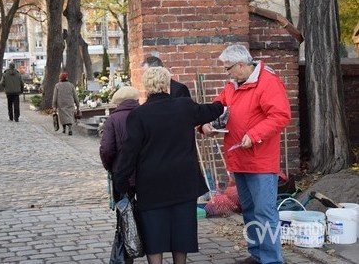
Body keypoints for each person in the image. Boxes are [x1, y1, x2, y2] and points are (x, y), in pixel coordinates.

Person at [114, 67, 223, 264]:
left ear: (146, 87)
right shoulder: (184, 106)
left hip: (151, 184)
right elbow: (212, 110)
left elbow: (129, 152)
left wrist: (120, 181)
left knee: (153, 231)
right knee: (182, 230)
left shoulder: (139, 115)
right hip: (184, 182)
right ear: (166, 84)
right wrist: (225, 98)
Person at [202, 45, 291, 264]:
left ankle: (271, 260)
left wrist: (254, 134)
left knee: (264, 212)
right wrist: (205, 122)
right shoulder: (233, 85)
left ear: (241, 65)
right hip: (239, 159)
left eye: (228, 68)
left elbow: (280, 116)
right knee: (250, 211)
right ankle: (257, 254)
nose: (227, 73)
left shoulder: (268, 82)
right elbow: (218, 106)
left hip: (260, 161)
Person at [100, 86, 140, 202]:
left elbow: (107, 149)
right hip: (144, 171)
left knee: (124, 210)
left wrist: (109, 166)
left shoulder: (113, 119)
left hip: (121, 171)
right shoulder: (145, 114)